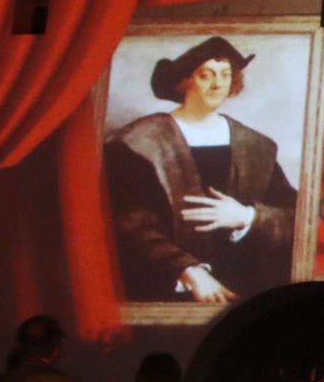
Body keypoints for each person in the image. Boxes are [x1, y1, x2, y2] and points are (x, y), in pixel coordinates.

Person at [104, 36, 298, 303]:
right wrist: (187, 270)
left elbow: (297, 218)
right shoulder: (140, 141)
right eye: (206, 75)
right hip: (168, 289)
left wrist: (247, 217)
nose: (218, 84)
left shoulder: (255, 145)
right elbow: (126, 224)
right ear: (185, 82)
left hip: (246, 291)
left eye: (225, 74)